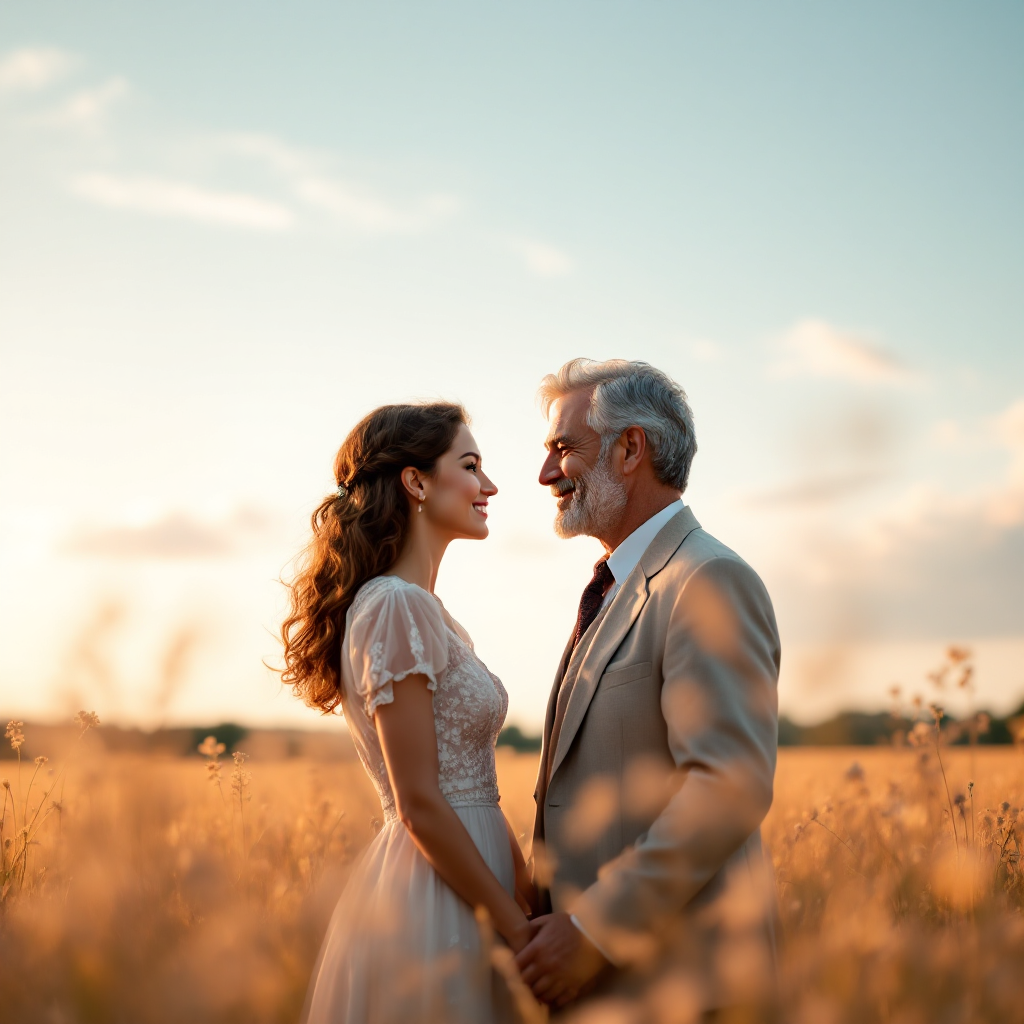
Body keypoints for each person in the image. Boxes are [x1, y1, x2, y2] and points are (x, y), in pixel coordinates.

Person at [517, 359, 781, 1018]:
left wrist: (593, 930)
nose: (546, 474)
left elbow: (728, 785)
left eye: (562, 449)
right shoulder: (618, 583)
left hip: (682, 982)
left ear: (630, 448)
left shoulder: (708, 579)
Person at [281, 402, 536, 1024]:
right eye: (471, 466)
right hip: (439, 894)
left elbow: (474, 785)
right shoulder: (396, 605)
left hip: (474, 876)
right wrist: (517, 931)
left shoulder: (427, 611)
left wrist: (529, 899)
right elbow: (419, 802)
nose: (490, 487)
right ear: (417, 482)